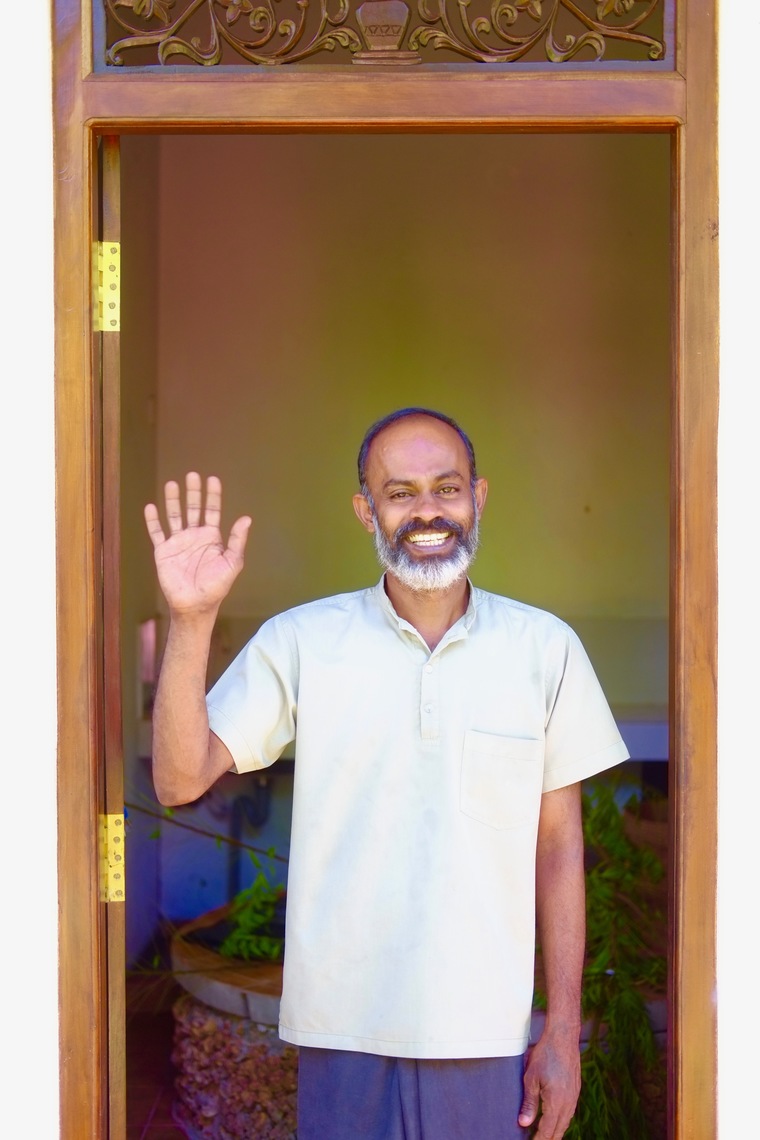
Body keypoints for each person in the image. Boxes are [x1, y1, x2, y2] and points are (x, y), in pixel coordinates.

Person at [144, 407, 629, 1139]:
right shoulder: (303, 641)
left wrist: (561, 1031)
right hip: (342, 1029)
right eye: (400, 493)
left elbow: (559, 848)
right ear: (365, 510)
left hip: (483, 1031)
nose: (428, 511)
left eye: (447, 487)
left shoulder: (544, 648)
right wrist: (190, 619)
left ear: (478, 497)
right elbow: (179, 780)